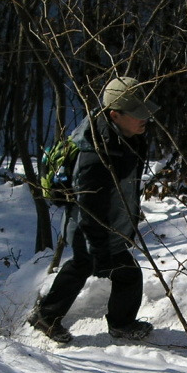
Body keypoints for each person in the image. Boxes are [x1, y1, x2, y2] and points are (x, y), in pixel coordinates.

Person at [28, 76, 159, 344]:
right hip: (92, 227)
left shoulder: (124, 135)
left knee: (80, 267)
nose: (144, 118)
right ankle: (120, 325)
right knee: (125, 273)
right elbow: (90, 205)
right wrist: (99, 248)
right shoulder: (97, 153)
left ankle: (46, 315)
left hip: (104, 224)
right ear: (114, 115)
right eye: (136, 114)